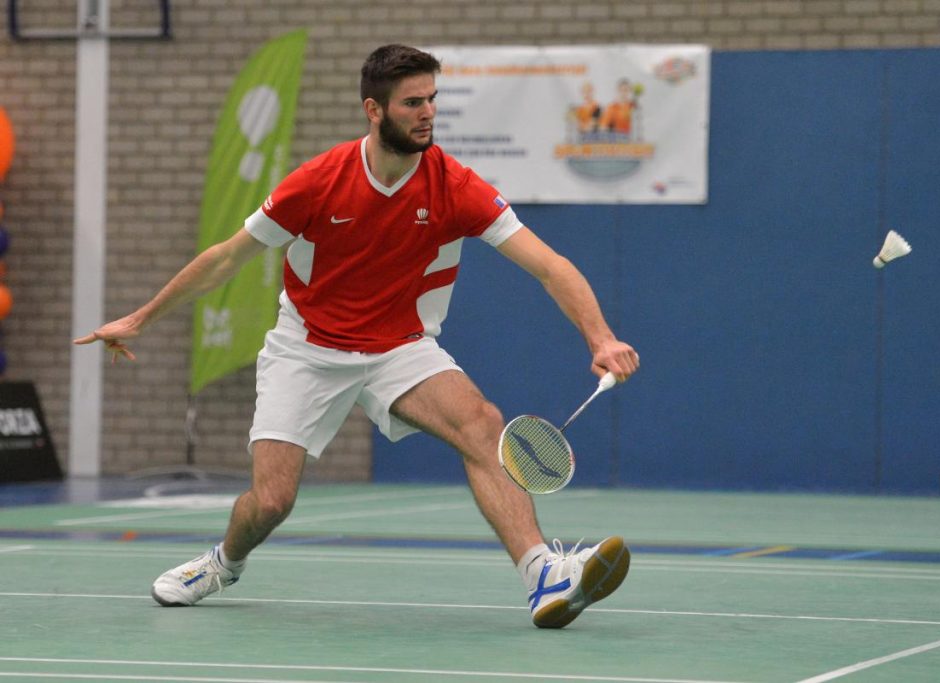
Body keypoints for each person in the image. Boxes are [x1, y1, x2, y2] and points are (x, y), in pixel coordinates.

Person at [74, 44, 640, 629]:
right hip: (308, 347)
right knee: (271, 502)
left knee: (481, 425)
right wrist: (140, 318)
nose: (428, 113)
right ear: (374, 109)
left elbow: (549, 266)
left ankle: (543, 575)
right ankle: (223, 563)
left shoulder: (455, 186)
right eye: (412, 103)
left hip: (400, 347)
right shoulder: (318, 182)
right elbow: (225, 259)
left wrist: (599, 339)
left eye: (432, 100)